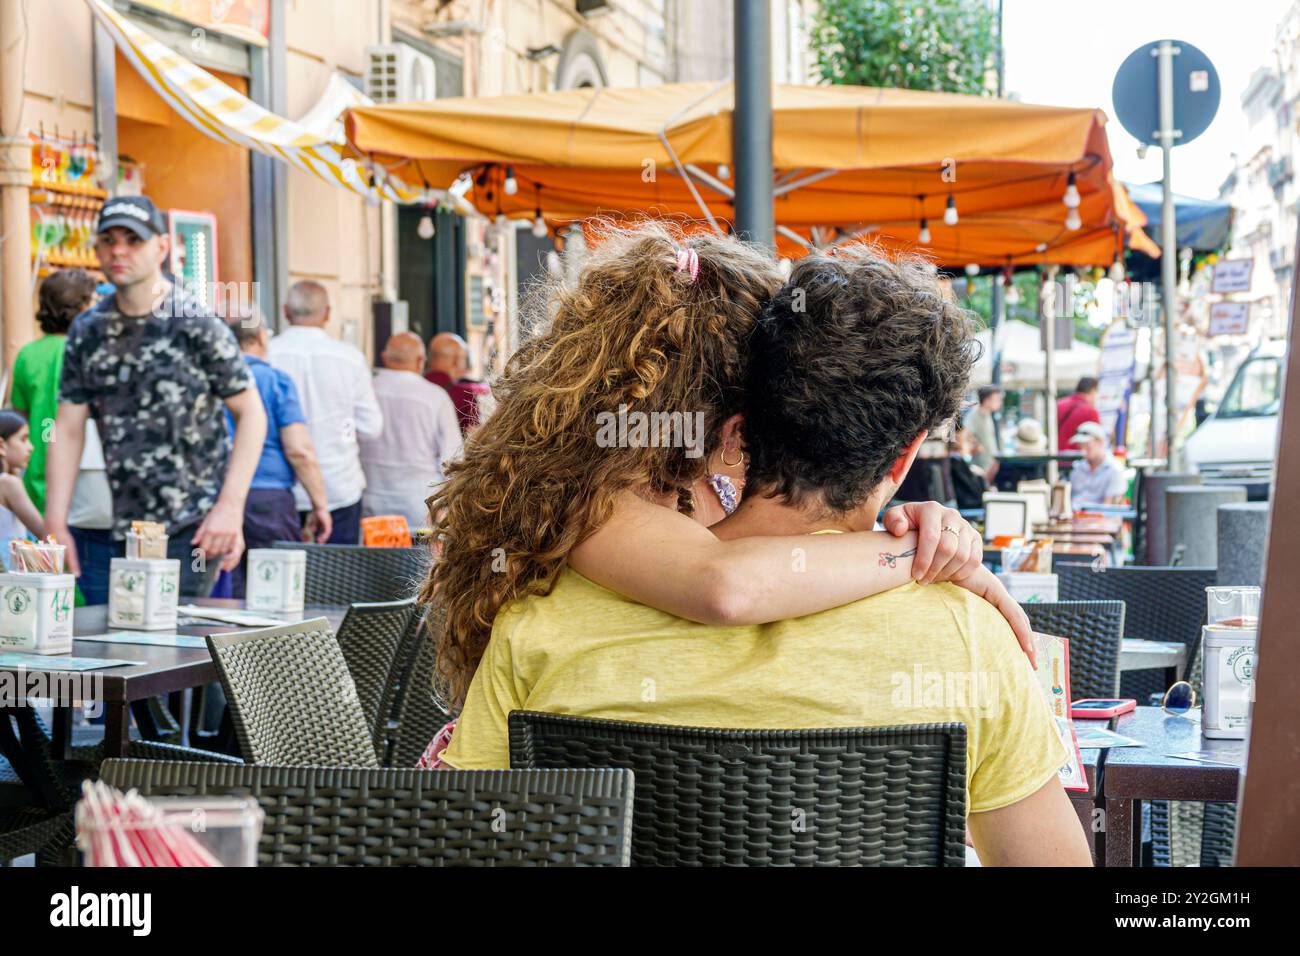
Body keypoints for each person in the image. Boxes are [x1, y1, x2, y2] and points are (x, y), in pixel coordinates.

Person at [439, 247, 1091, 867]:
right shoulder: (969, 640)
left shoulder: (544, 618)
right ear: (906, 454)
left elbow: (468, 840)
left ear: (737, 431)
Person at [420, 223, 1033, 722]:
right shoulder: (596, 507)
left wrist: (926, 528)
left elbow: (771, 550)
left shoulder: (694, 489)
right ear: (722, 413)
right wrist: (912, 557)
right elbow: (726, 584)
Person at [44, 194, 268, 597]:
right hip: (113, 528)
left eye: (133, 240)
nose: (119, 250)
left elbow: (251, 413)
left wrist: (230, 507)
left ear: (162, 247)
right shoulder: (88, 330)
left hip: (194, 526)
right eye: (108, 239)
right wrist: (55, 521)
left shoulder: (195, 320)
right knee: (112, 647)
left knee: (186, 651)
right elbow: (68, 427)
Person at [9, 271, 115, 600]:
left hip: (37, 468)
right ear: (82, 306)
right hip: (85, 477)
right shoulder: (90, 350)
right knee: (87, 571)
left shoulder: (28, 355)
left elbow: (21, 415)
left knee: (46, 570)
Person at [224, 307, 333, 596]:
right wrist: (320, 504)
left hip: (220, 500)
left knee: (226, 593)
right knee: (274, 592)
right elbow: (299, 450)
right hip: (267, 502)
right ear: (261, 338)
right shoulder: (275, 381)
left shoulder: (210, 381)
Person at [267, 280, 382, 545]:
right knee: (337, 580)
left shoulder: (269, 354)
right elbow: (371, 426)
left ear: (286, 311)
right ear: (328, 313)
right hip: (338, 485)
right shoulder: (349, 358)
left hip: (284, 489)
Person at [360, 332, 463, 532]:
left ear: (384, 358)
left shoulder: (366, 391)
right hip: (420, 500)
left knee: (373, 561)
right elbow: (453, 457)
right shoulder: (435, 397)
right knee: (419, 561)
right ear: (420, 361)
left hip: (372, 499)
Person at [0, 411, 47, 570]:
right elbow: (43, 532)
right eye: (24, 439)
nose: (31, 447)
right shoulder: (9, 484)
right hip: (10, 578)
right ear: (1, 445)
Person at [425, 332, 493, 434]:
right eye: (463, 358)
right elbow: (473, 437)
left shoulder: (413, 387)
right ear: (456, 361)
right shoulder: (465, 395)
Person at [1068, 421, 1128, 507]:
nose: (1083, 451)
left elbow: (1110, 510)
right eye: (1080, 446)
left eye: (1087, 446)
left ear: (1101, 442)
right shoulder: (1078, 468)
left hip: (1098, 519)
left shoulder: (1114, 470)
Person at [966, 385, 1002, 482]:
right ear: (986, 400)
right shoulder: (974, 415)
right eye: (996, 399)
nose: (999, 402)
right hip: (980, 466)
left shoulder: (988, 414)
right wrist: (977, 446)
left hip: (990, 463)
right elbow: (966, 433)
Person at [1057, 376, 1101, 452]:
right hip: (1077, 459)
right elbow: (1097, 439)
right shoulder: (1090, 411)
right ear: (1092, 391)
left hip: (1055, 457)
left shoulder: (1059, 404)